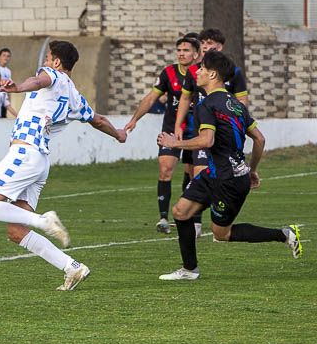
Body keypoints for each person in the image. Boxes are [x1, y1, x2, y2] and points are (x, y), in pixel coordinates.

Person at [0, 41, 128, 291]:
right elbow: (98, 120)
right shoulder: (75, 96)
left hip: (24, 153)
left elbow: (39, 81)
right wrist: (118, 134)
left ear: (56, 62)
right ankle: (72, 267)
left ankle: (42, 220)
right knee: (15, 231)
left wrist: (19, 86)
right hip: (40, 162)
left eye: (47, 59)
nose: (43, 64)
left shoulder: (52, 74)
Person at [156, 50, 301, 280]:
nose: (198, 71)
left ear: (212, 74)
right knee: (180, 212)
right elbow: (260, 139)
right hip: (217, 173)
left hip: (228, 180)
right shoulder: (235, 104)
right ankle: (189, 270)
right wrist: (252, 170)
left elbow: (207, 140)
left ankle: (284, 234)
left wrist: (176, 142)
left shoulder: (207, 104)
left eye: (202, 68)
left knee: (221, 234)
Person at [123, 36, 200, 234]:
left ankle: (193, 219)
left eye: (186, 50)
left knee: (193, 173)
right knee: (165, 168)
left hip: (195, 130)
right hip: (171, 130)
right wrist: (135, 119)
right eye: (179, 50)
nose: (182, 53)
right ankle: (164, 218)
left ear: (196, 54)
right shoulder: (168, 73)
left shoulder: (202, 74)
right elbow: (151, 98)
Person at [175, 27, 249, 183]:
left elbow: (242, 101)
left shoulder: (233, 72)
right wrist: (178, 125)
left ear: (219, 46)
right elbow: (185, 98)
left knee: (217, 173)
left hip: (223, 129)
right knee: (197, 171)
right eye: (202, 43)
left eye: (209, 42)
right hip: (201, 125)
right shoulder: (194, 71)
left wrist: (238, 120)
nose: (204, 46)